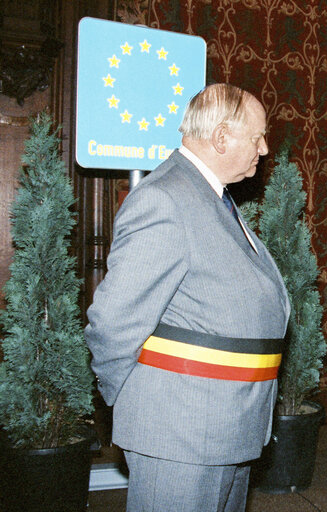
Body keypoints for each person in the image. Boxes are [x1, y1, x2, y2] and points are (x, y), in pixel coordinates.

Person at [85, 83, 290, 511]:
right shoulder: (165, 199)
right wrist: (131, 399)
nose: (265, 148)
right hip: (180, 431)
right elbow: (112, 322)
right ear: (221, 137)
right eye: (257, 136)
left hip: (225, 426)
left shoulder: (211, 197)